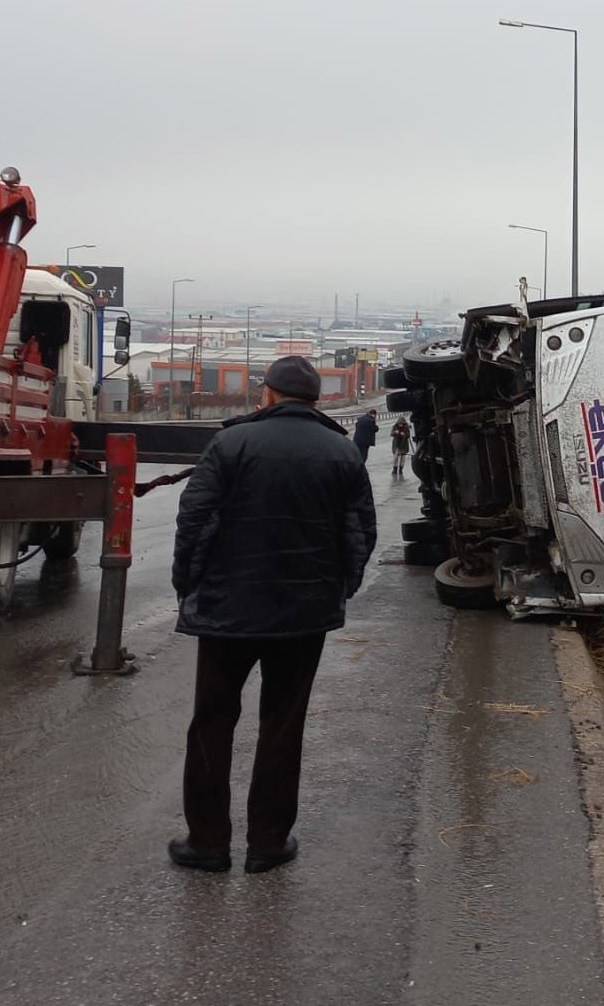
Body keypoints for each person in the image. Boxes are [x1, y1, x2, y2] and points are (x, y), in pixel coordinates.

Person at [169, 356, 376, 873]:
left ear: (267, 394)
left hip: (226, 609)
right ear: (316, 399)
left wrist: (188, 586)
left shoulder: (231, 443)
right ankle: (268, 845)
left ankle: (208, 844)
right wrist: (339, 589)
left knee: (212, 723)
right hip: (304, 615)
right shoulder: (342, 452)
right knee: (283, 726)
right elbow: (359, 534)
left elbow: (195, 521)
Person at [389, 415, 412, 480]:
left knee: (402, 458)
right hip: (396, 445)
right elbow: (391, 434)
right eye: (399, 424)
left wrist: (404, 434)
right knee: (396, 457)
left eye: (401, 424)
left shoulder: (406, 427)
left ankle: (401, 469)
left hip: (404, 445)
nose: (400, 425)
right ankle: (395, 469)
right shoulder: (395, 427)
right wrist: (395, 432)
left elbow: (408, 435)